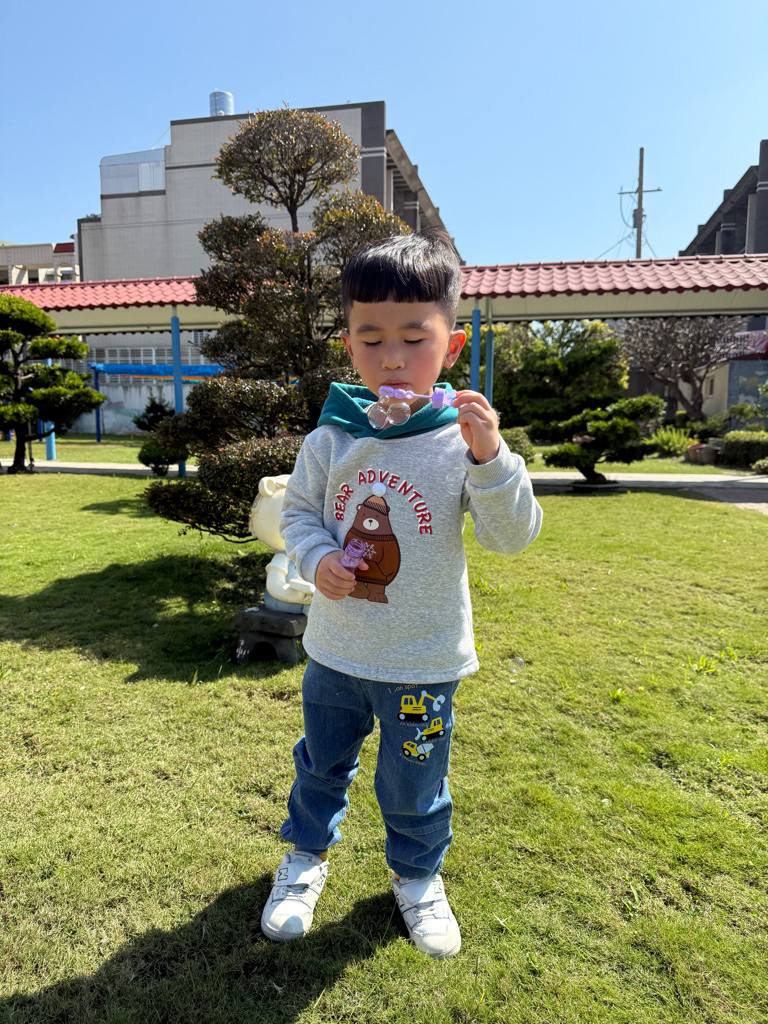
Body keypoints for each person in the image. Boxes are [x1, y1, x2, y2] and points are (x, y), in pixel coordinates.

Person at [260, 229, 543, 958]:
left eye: (414, 339)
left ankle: (417, 876)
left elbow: (511, 537)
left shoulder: (461, 440)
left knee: (416, 782)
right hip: (335, 653)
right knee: (320, 766)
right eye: (372, 338)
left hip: (423, 662)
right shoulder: (332, 437)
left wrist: (493, 458)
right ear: (348, 346)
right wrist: (318, 555)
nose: (392, 358)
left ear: (451, 346)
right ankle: (305, 859)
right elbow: (299, 513)